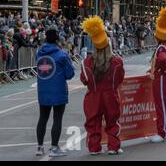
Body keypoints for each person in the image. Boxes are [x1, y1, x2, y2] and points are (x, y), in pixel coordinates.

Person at [81, 17, 125, 155]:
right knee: (112, 120)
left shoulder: (87, 63)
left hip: (93, 95)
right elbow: (120, 78)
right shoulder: (117, 62)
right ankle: (113, 146)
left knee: (93, 122)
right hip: (110, 94)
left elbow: (84, 80)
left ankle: (94, 147)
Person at [35, 28, 75, 157]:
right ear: (57, 40)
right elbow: (70, 74)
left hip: (43, 90)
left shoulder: (39, 53)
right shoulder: (62, 54)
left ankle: (40, 147)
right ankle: (54, 147)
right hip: (58, 90)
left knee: (43, 118)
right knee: (57, 119)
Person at [146, 8, 166, 142]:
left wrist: (156, 70)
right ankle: (164, 130)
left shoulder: (162, 48)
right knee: (163, 106)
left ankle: (163, 132)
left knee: (161, 106)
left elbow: (162, 59)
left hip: (162, 78)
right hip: (165, 78)